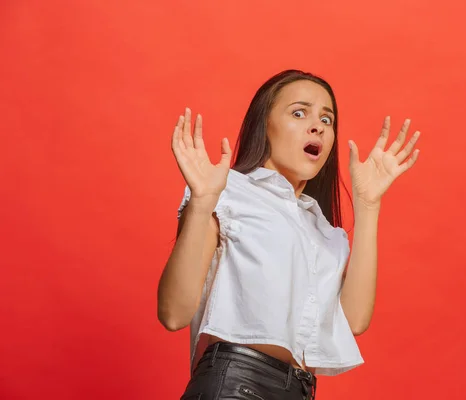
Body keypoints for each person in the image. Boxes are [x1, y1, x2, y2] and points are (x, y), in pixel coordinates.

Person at [157, 70, 421, 400]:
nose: (318, 126)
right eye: (299, 113)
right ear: (263, 125)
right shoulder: (226, 191)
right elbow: (173, 312)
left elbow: (353, 322)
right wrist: (200, 203)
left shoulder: (325, 233)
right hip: (234, 387)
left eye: (327, 119)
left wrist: (368, 206)